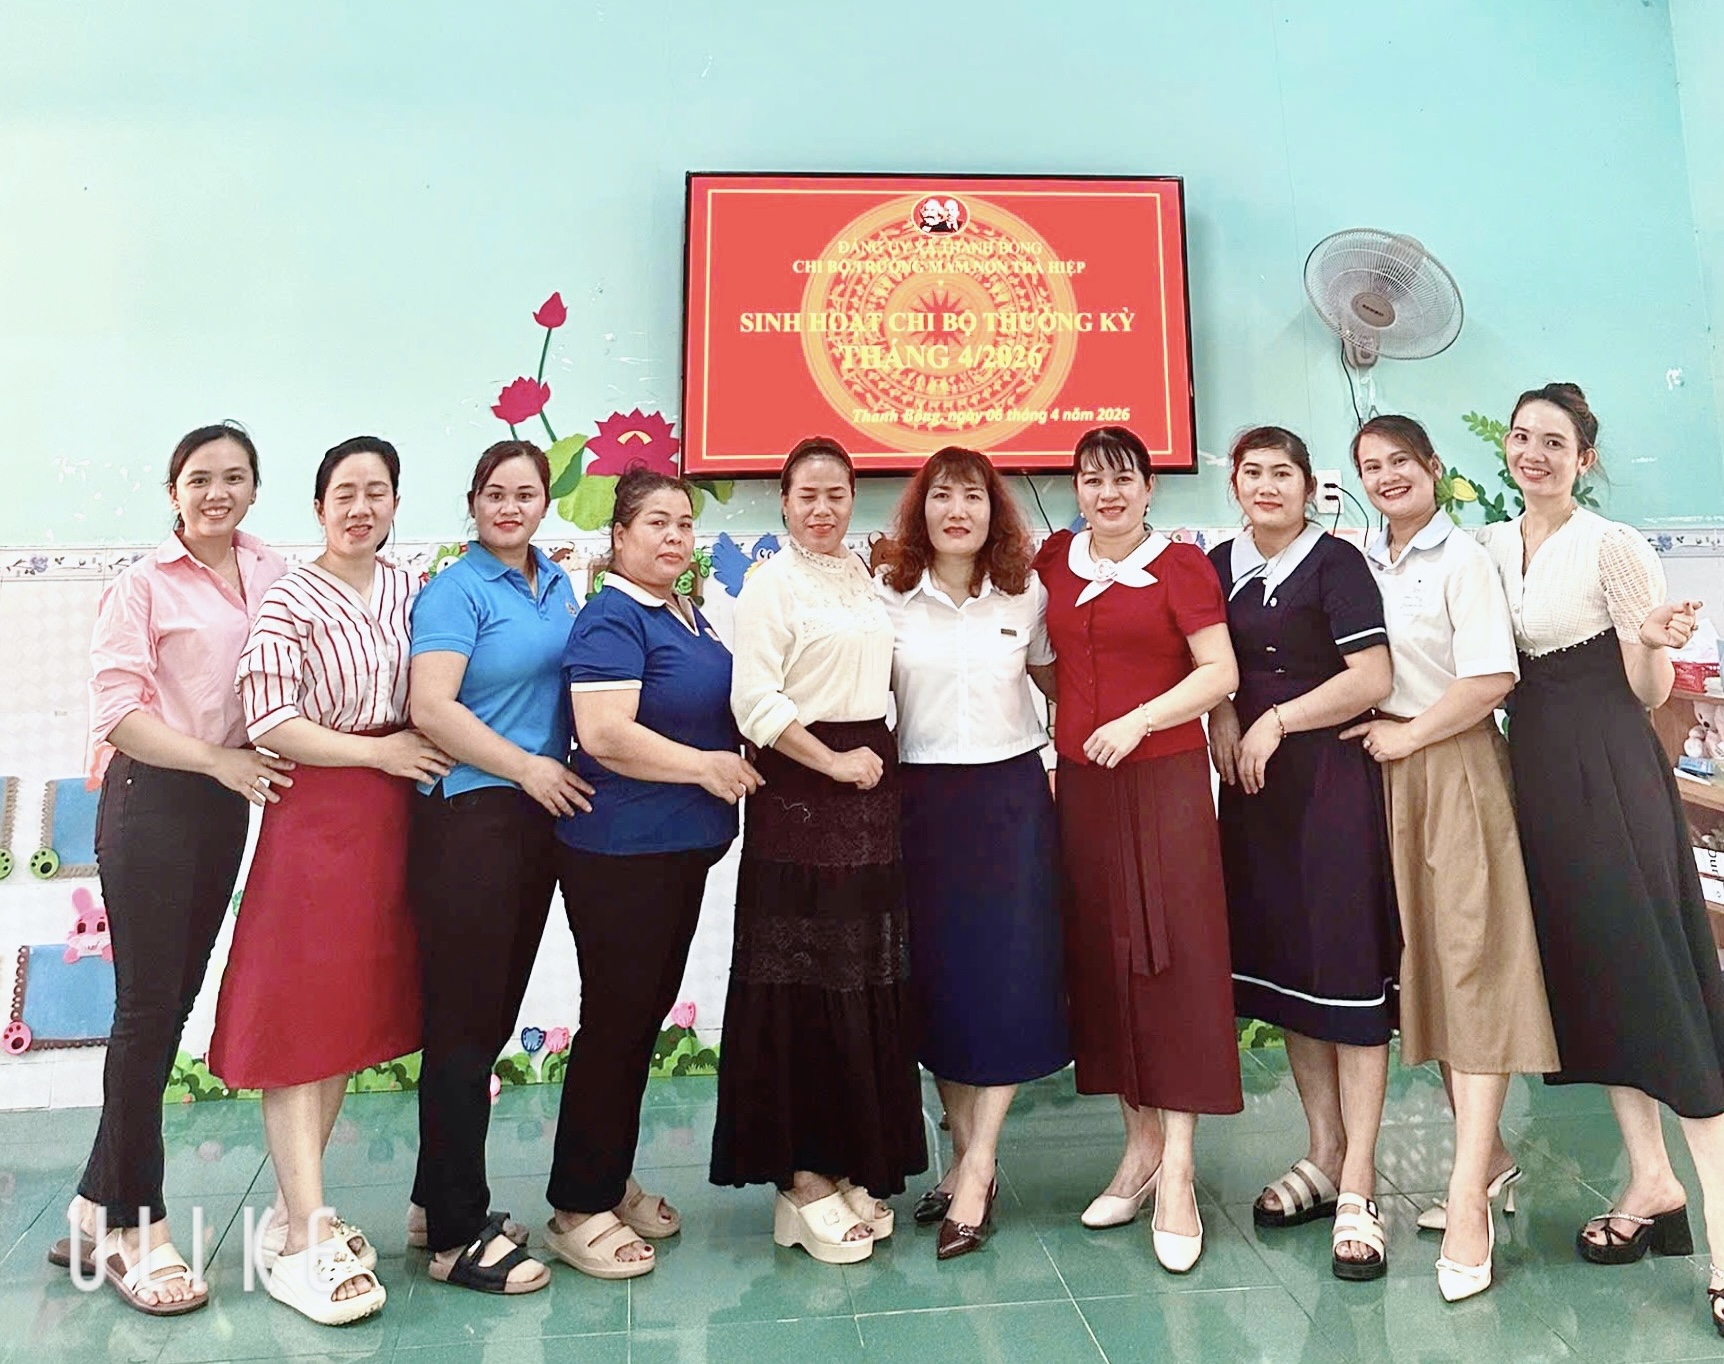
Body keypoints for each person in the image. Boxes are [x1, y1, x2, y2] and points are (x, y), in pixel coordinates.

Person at [1477, 383, 1724, 1337]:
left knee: (1663, 987)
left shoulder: (1612, 545)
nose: (1533, 453)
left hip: (1611, 778)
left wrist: (1656, 642)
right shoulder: (1492, 545)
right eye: (1522, 437)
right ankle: (1652, 1180)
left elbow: (1647, 690)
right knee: (1605, 988)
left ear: (1584, 458)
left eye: (1555, 442)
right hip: (1538, 783)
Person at [207, 436, 441, 1325]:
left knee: (345, 1018)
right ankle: (306, 1238)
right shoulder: (290, 597)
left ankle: (290, 1213)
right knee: (300, 1015)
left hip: (395, 824)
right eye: (344, 492)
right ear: (317, 508)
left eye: (377, 491)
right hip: (317, 820)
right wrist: (379, 754)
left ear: (395, 504)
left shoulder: (411, 589)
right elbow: (271, 721)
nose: (360, 507)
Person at [58, 423, 290, 1316]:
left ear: (255, 488)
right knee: (145, 1013)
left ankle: (93, 1204)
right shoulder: (142, 585)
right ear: (173, 492)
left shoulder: (271, 571)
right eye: (199, 478)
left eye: (234, 477)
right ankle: (134, 1226)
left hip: (224, 802)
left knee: (170, 1009)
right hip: (150, 795)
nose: (216, 492)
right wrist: (216, 761)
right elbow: (118, 713)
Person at [1344, 415, 1559, 1301]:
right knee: (1423, 969)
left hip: (1453, 765)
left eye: (1401, 461)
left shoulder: (1460, 559)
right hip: (1381, 772)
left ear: (1434, 467)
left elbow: (1491, 678)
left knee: (1470, 965)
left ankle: (1468, 1198)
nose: (1387, 477)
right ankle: (1493, 1157)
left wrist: (1410, 738)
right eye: (1371, 466)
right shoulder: (1361, 559)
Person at [1030, 426, 1240, 1274]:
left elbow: (1218, 672)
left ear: (1150, 488)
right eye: (1092, 479)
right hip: (1085, 788)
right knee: (1105, 962)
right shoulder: (1055, 561)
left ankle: (1180, 1171)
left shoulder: (1181, 566)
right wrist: (1075, 723)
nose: (1107, 494)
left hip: (1165, 784)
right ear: (1077, 490)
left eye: (1123, 479)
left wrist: (1137, 720)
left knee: (1174, 962)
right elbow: (1045, 663)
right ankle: (1140, 1148)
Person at [712, 436, 926, 1265]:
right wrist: (832, 763)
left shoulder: (862, 577)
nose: (823, 508)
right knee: (800, 985)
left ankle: (845, 1163)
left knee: (860, 974)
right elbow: (753, 700)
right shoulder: (771, 583)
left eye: (836, 493)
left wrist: (863, 767)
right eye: (807, 494)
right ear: (783, 501)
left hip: (871, 796)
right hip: (803, 793)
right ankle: (800, 1181)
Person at [544, 467, 762, 1278]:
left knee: (638, 1021)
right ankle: (577, 1206)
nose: (674, 537)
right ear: (619, 535)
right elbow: (604, 733)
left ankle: (611, 1177)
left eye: (683, 524)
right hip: (620, 856)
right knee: (616, 1024)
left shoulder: (686, 614)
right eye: (656, 523)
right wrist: (705, 767)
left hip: (675, 854)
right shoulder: (612, 618)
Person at [1207, 425, 1398, 1281]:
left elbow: (1373, 678)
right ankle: (1323, 1153)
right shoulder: (1219, 565)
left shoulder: (1337, 564)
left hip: (1329, 789)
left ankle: (1360, 1183)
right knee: (1293, 976)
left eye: (1282, 473)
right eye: (1252, 473)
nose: (1267, 486)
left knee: (1347, 975)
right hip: (1256, 797)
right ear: (1235, 487)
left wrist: (1277, 720)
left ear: (1308, 484)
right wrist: (1224, 720)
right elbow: (1209, 664)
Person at [874, 447, 1069, 1261]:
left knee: (1005, 982)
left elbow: (1062, 685)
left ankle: (980, 1165)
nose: (958, 512)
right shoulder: (886, 596)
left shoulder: (1027, 593)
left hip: (1009, 801)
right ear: (921, 510)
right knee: (942, 984)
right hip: (921, 803)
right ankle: (961, 1158)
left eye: (974, 498)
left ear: (995, 512)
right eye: (943, 497)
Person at [406, 439, 592, 1294]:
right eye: (494, 494)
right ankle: (455, 1237)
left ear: (544, 504)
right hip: (472, 815)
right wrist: (525, 767)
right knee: (462, 1024)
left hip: (533, 819)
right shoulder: (457, 589)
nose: (509, 507)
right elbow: (430, 706)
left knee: (485, 1021)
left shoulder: (556, 584)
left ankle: (431, 1203)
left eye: (524, 494)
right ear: (473, 502)